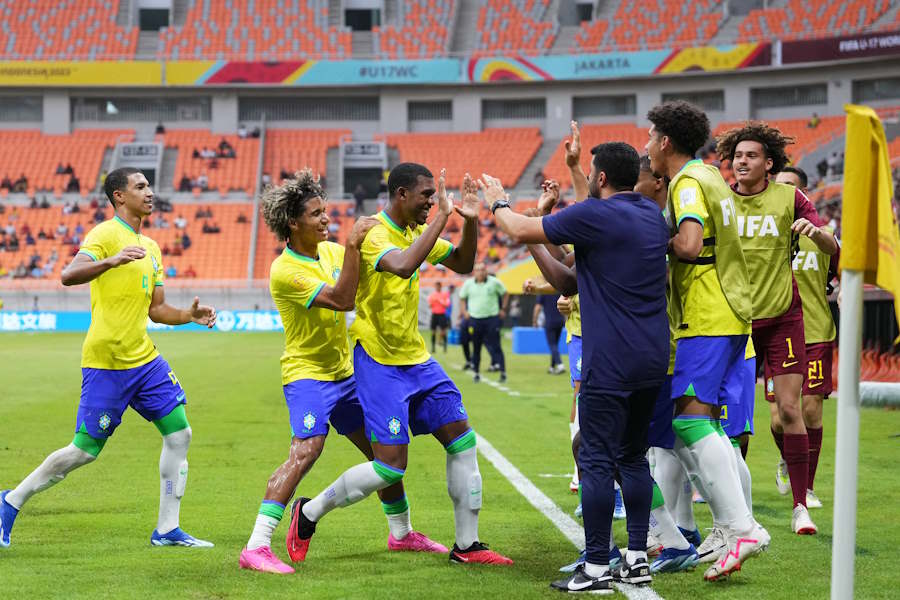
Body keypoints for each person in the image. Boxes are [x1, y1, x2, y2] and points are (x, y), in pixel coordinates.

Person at [285, 164, 512, 567]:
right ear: (402, 194)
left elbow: (460, 263)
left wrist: (471, 221)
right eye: (426, 196)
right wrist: (442, 216)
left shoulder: (412, 231)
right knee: (390, 468)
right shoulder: (374, 233)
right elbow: (406, 264)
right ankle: (309, 512)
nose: (430, 202)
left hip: (417, 359)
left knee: (463, 440)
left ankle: (467, 545)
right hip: (379, 363)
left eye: (433, 196)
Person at [0, 167, 217, 549]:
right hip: (107, 361)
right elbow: (69, 274)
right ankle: (11, 501)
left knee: (180, 433)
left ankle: (167, 530)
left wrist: (188, 317)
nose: (149, 192)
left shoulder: (151, 247)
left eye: (149, 185)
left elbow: (157, 309)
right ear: (119, 196)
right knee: (84, 451)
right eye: (140, 186)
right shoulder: (104, 234)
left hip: (144, 359)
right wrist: (111, 261)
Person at [240, 171, 444, 574]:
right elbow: (342, 298)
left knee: (382, 454)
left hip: (347, 372)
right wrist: (353, 242)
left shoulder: (331, 252)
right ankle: (256, 546)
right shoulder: (285, 270)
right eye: (315, 214)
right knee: (307, 451)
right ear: (292, 223)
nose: (325, 219)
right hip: (308, 374)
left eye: (325, 211)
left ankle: (401, 534)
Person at [490, 142, 669, 593]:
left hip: (609, 360)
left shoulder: (594, 215)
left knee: (594, 458)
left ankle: (594, 568)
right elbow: (570, 280)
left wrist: (498, 201)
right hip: (652, 358)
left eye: (590, 171)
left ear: (601, 177)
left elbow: (514, 228)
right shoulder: (650, 215)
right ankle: (636, 558)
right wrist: (539, 246)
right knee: (632, 458)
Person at [645, 100, 769, 580]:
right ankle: (726, 527)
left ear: (666, 143)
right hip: (729, 313)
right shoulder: (713, 176)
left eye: (651, 138)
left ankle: (742, 527)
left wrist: (654, 233)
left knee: (691, 422)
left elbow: (691, 244)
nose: (648, 147)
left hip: (708, 314)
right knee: (702, 424)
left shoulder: (690, 182)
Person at [717, 122, 836, 536]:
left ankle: (801, 506)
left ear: (769, 163)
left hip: (783, 317)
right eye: (737, 156)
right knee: (731, 415)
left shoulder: (790, 197)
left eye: (751, 156)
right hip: (732, 318)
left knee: (791, 409)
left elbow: (831, 246)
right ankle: (731, 505)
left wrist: (816, 233)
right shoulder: (720, 199)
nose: (742, 162)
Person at [772, 166, 838, 511]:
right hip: (779, 333)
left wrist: (843, 291)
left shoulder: (823, 236)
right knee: (778, 417)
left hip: (815, 333)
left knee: (810, 408)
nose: (780, 193)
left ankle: (808, 488)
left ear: (802, 195)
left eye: (788, 187)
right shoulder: (767, 235)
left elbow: (843, 271)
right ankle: (789, 458)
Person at [459, 262, 509, 383]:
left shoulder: (494, 282)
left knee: (496, 345)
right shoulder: (468, 284)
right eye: (477, 270)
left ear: (486, 271)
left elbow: (505, 293)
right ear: (474, 272)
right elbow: (462, 298)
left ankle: (503, 372)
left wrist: (503, 309)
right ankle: (476, 373)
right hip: (475, 319)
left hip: (492, 318)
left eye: (482, 269)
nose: (480, 272)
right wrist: (464, 312)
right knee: (476, 347)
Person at [534, 293, 565, 374]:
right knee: (555, 345)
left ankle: (560, 364)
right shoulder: (558, 289)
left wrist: (534, 321)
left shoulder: (544, 291)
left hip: (550, 322)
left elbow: (538, 307)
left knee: (552, 345)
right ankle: (552, 366)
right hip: (560, 321)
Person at [428, 281, 451, 353]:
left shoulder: (445, 294)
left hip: (442, 315)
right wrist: (432, 302)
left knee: (443, 331)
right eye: (436, 286)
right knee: (433, 332)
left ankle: (445, 348)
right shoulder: (432, 295)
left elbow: (447, 304)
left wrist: (439, 301)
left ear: (440, 287)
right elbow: (430, 305)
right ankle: (433, 348)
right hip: (434, 314)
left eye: (438, 286)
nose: (437, 287)